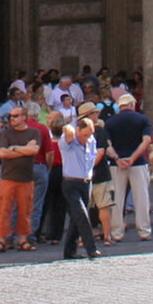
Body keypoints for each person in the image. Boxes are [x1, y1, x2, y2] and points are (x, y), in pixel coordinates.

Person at [102, 93, 153, 243]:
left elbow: (108, 145)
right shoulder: (142, 119)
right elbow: (146, 141)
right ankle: (144, 230)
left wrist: (118, 158)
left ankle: (117, 232)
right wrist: (133, 157)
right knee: (142, 198)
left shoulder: (110, 122)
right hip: (138, 163)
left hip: (117, 165)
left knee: (117, 199)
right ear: (132, 104)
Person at [0, 106, 42, 252]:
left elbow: (34, 150)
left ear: (24, 117)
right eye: (11, 116)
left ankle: (23, 240)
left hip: (26, 177)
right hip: (8, 177)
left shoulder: (34, 132)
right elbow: (2, 153)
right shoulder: (6, 134)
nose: (12, 119)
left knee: (25, 210)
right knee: (3, 209)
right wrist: (23, 149)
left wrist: (13, 148)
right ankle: (1, 240)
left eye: (15, 116)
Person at [57, 109, 102, 259]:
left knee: (77, 218)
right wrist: (70, 129)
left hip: (86, 183)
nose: (86, 138)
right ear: (78, 131)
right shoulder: (68, 141)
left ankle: (69, 251)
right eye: (84, 135)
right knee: (82, 214)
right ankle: (91, 248)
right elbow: (67, 132)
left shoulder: (91, 141)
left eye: (89, 135)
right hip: (71, 183)